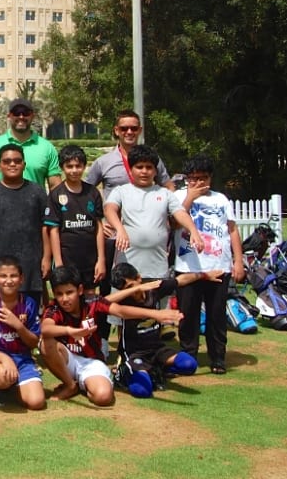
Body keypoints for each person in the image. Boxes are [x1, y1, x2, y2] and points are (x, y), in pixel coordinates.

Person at [42, 266, 183, 406]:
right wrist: (69, 331)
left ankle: (83, 383)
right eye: (59, 294)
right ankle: (70, 385)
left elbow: (120, 311)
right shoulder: (54, 308)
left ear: (79, 290)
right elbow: (45, 328)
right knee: (46, 342)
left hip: (92, 362)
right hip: (68, 360)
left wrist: (155, 314)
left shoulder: (93, 302)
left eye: (69, 292)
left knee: (103, 397)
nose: (64, 299)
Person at [85, 110, 174, 294]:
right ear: (116, 130)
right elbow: (85, 192)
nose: (129, 132)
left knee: (147, 284)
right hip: (114, 236)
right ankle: (109, 322)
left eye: (134, 128)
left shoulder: (151, 159)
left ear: (139, 130)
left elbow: (168, 186)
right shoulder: (104, 162)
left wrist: (167, 214)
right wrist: (99, 222)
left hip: (146, 236)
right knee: (111, 286)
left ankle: (149, 321)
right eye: (124, 128)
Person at [173, 154, 245, 375]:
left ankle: (218, 357)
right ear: (186, 179)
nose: (198, 183)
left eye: (202, 178)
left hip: (218, 265)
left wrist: (238, 260)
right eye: (193, 178)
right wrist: (190, 197)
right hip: (188, 266)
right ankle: (189, 355)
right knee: (188, 315)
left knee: (216, 314)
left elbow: (232, 229)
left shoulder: (221, 199)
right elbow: (173, 223)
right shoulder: (176, 197)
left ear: (210, 178)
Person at [110, 263, 224, 397]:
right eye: (124, 289)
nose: (132, 291)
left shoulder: (153, 289)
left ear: (139, 277)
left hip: (157, 349)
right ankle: (124, 373)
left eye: (131, 286)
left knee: (189, 364)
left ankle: (156, 369)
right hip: (135, 353)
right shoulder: (123, 299)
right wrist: (132, 289)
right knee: (142, 390)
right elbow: (102, 302)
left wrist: (203, 275)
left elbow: (180, 280)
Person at [103, 145, 204, 281]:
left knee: (156, 301)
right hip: (127, 270)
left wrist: (193, 231)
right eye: (139, 167)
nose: (144, 171)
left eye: (149, 167)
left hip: (157, 269)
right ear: (131, 169)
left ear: (155, 171)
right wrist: (120, 229)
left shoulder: (165, 193)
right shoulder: (121, 191)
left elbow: (180, 213)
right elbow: (109, 209)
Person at [0, 144, 50, 307]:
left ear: (24, 164)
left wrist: (46, 257)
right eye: (7, 161)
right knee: (0, 319)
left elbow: (46, 226)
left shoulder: (37, 192)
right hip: (0, 265)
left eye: (17, 161)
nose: (12, 164)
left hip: (31, 266)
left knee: (29, 318)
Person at [0, 256, 45, 410]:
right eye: (3, 276)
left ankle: (12, 389)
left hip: (22, 359)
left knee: (36, 402)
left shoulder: (29, 304)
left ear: (21, 279)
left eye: (13, 276)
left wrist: (18, 325)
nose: (8, 280)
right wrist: (4, 359)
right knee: (2, 376)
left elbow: (33, 342)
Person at [45, 145, 106, 289]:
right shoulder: (56, 195)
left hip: (90, 260)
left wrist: (101, 259)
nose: (74, 170)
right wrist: (59, 262)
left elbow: (98, 227)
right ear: (62, 168)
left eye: (78, 166)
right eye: (69, 166)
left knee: (90, 299)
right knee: (68, 298)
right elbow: (53, 230)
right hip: (67, 260)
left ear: (84, 166)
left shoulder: (93, 193)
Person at [0, 98, 62, 190]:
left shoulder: (47, 148)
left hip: (36, 203)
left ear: (32, 116)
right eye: (16, 113)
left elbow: (55, 187)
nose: (21, 116)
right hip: (2, 203)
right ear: (9, 116)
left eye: (25, 113)